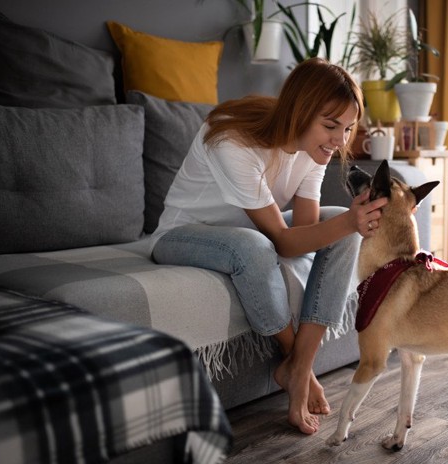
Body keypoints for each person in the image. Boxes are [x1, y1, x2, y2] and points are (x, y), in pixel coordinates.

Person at [150, 57, 388, 435]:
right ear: (299, 110)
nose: (340, 141)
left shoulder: (316, 149)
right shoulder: (231, 138)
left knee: (342, 231)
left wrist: (347, 223)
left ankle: (296, 367)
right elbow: (282, 242)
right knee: (255, 245)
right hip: (183, 236)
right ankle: (298, 367)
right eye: (330, 126)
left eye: (346, 128)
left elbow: (306, 237)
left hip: (253, 233)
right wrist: (347, 221)